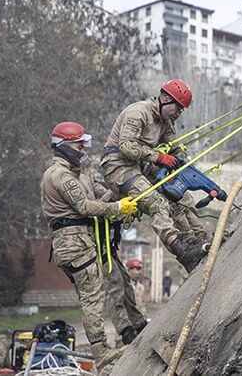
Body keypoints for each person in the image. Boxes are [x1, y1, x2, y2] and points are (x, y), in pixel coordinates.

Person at [40, 122, 146, 371]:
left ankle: (103, 349)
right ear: (64, 147)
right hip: (74, 242)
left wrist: (122, 191)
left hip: (75, 242)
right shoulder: (59, 175)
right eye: (79, 145)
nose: (82, 149)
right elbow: (86, 207)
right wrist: (118, 209)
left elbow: (100, 195)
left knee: (92, 296)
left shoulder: (80, 177)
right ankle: (102, 353)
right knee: (93, 299)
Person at [101, 79, 207, 272]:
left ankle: (198, 240)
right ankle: (181, 251)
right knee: (156, 203)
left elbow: (175, 146)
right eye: (178, 107)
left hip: (142, 164)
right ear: (165, 99)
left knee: (179, 192)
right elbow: (126, 147)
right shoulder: (138, 113)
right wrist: (158, 157)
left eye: (182, 110)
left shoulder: (166, 121)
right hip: (119, 164)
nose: (179, 113)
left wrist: (183, 166)